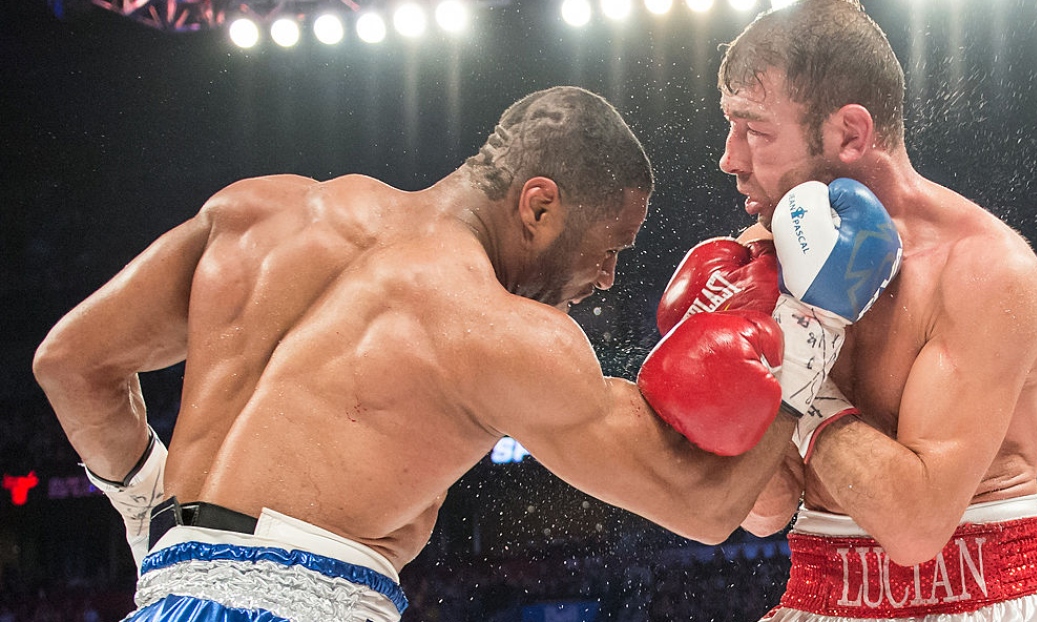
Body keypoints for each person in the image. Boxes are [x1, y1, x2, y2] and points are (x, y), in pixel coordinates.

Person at [33, 86, 800, 622]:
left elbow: (71, 364)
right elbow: (702, 507)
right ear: (538, 205)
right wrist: (813, 328)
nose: (605, 279)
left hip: (165, 598)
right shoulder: (493, 330)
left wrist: (148, 511)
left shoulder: (259, 211)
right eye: (609, 249)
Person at [708, 0, 1037, 619]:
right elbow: (762, 510)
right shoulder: (761, 260)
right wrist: (726, 371)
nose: (730, 157)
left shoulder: (984, 270)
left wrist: (793, 360)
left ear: (851, 135)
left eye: (754, 129)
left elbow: (915, 526)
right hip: (818, 592)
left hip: (981, 593)